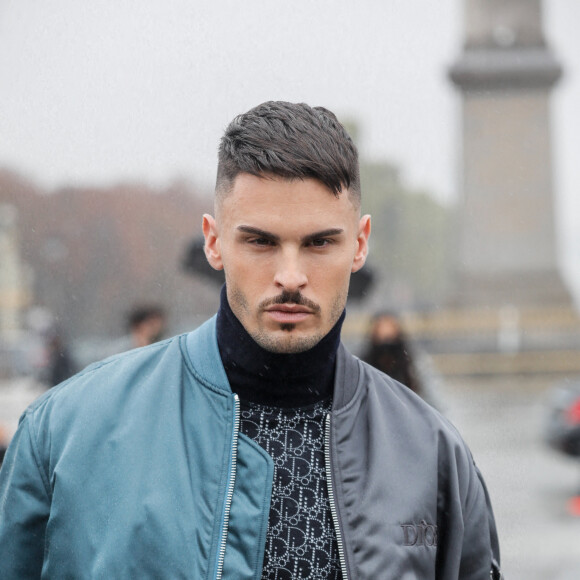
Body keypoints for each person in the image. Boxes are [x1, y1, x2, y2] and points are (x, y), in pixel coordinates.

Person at [0, 101, 502, 579]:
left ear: (360, 243)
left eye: (319, 242)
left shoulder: (434, 456)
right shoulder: (66, 434)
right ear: (214, 241)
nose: (289, 275)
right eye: (260, 241)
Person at [361, 310, 443, 410]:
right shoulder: (364, 364)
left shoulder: (413, 363)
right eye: (381, 328)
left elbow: (431, 397)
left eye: (390, 327)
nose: (386, 334)